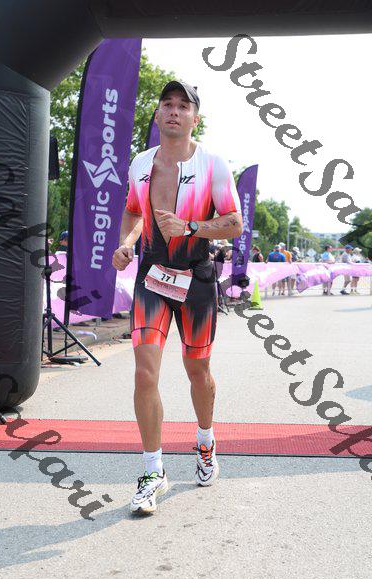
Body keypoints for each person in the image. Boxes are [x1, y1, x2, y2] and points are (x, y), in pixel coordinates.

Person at [112, 80, 243, 514]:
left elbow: (234, 223)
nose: (173, 111)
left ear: (194, 119)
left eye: (183, 106)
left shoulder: (213, 165)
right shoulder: (140, 162)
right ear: (157, 116)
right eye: (166, 104)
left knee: (197, 371)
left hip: (196, 280)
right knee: (144, 372)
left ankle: (205, 441)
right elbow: (134, 210)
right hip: (151, 277)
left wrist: (190, 227)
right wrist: (127, 242)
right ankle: (153, 471)